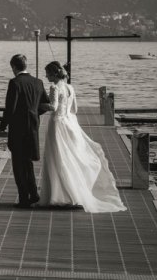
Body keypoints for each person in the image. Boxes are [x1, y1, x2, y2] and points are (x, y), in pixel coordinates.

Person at [37, 61, 126, 213]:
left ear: (53, 74)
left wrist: (38, 104)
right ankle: (74, 194)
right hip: (69, 123)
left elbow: (53, 107)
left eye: (47, 73)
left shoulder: (54, 87)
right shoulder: (70, 88)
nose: (45, 76)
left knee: (56, 157)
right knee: (69, 157)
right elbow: (75, 109)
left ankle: (58, 195)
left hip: (57, 124)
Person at [0, 54, 51, 208]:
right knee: (27, 163)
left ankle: (23, 198)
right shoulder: (38, 82)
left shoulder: (15, 83)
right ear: (25, 65)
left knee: (18, 164)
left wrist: (2, 126)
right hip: (33, 127)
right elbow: (46, 104)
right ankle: (33, 194)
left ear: (14, 67)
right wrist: (34, 113)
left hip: (18, 129)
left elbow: (10, 108)